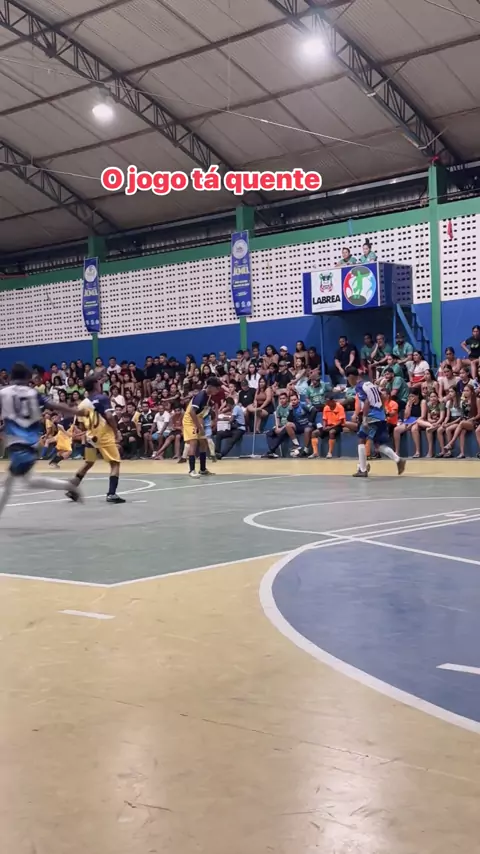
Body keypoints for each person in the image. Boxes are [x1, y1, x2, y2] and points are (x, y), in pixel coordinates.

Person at [0, 362, 82, 518]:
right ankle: (68, 485)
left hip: (18, 444)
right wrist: (75, 411)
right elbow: (54, 405)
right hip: (32, 442)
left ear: (10, 376)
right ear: (27, 377)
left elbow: (10, 417)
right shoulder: (32, 393)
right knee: (28, 481)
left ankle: (69, 486)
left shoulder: (4, 392)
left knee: (8, 484)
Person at [66, 373, 125, 504]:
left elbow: (81, 426)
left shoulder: (82, 404)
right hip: (104, 435)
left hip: (90, 436)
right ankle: (111, 494)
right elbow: (109, 416)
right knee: (115, 463)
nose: (100, 384)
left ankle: (71, 489)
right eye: (98, 382)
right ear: (95, 385)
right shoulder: (102, 398)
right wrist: (116, 432)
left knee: (89, 462)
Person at [345, 367, 406, 477]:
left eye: (348, 379)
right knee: (378, 444)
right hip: (380, 416)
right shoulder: (369, 384)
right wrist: (382, 411)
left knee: (361, 439)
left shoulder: (359, 387)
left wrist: (364, 419)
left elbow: (367, 401)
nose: (349, 382)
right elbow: (382, 396)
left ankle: (362, 469)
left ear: (351, 376)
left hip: (372, 417)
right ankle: (398, 459)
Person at [182, 377, 220, 478]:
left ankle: (202, 469)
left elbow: (201, 413)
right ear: (210, 387)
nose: (218, 390)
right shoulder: (201, 396)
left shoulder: (208, 396)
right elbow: (191, 412)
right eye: (217, 388)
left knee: (203, 443)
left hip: (197, 419)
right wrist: (199, 426)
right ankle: (191, 470)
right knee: (193, 443)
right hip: (190, 421)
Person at [311, 394, 345, 459]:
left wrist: (331, 427)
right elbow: (324, 419)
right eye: (326, 401)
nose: (327, 403)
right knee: (314, 433)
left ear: (332, 401)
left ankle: (330, 453)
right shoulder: (326, 407)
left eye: (328, 401)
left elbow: (341, 421)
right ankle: (315, 453)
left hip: (337, 426)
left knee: (331, 432)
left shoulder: (340, 407)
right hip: (328, 426)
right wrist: (324, 427)